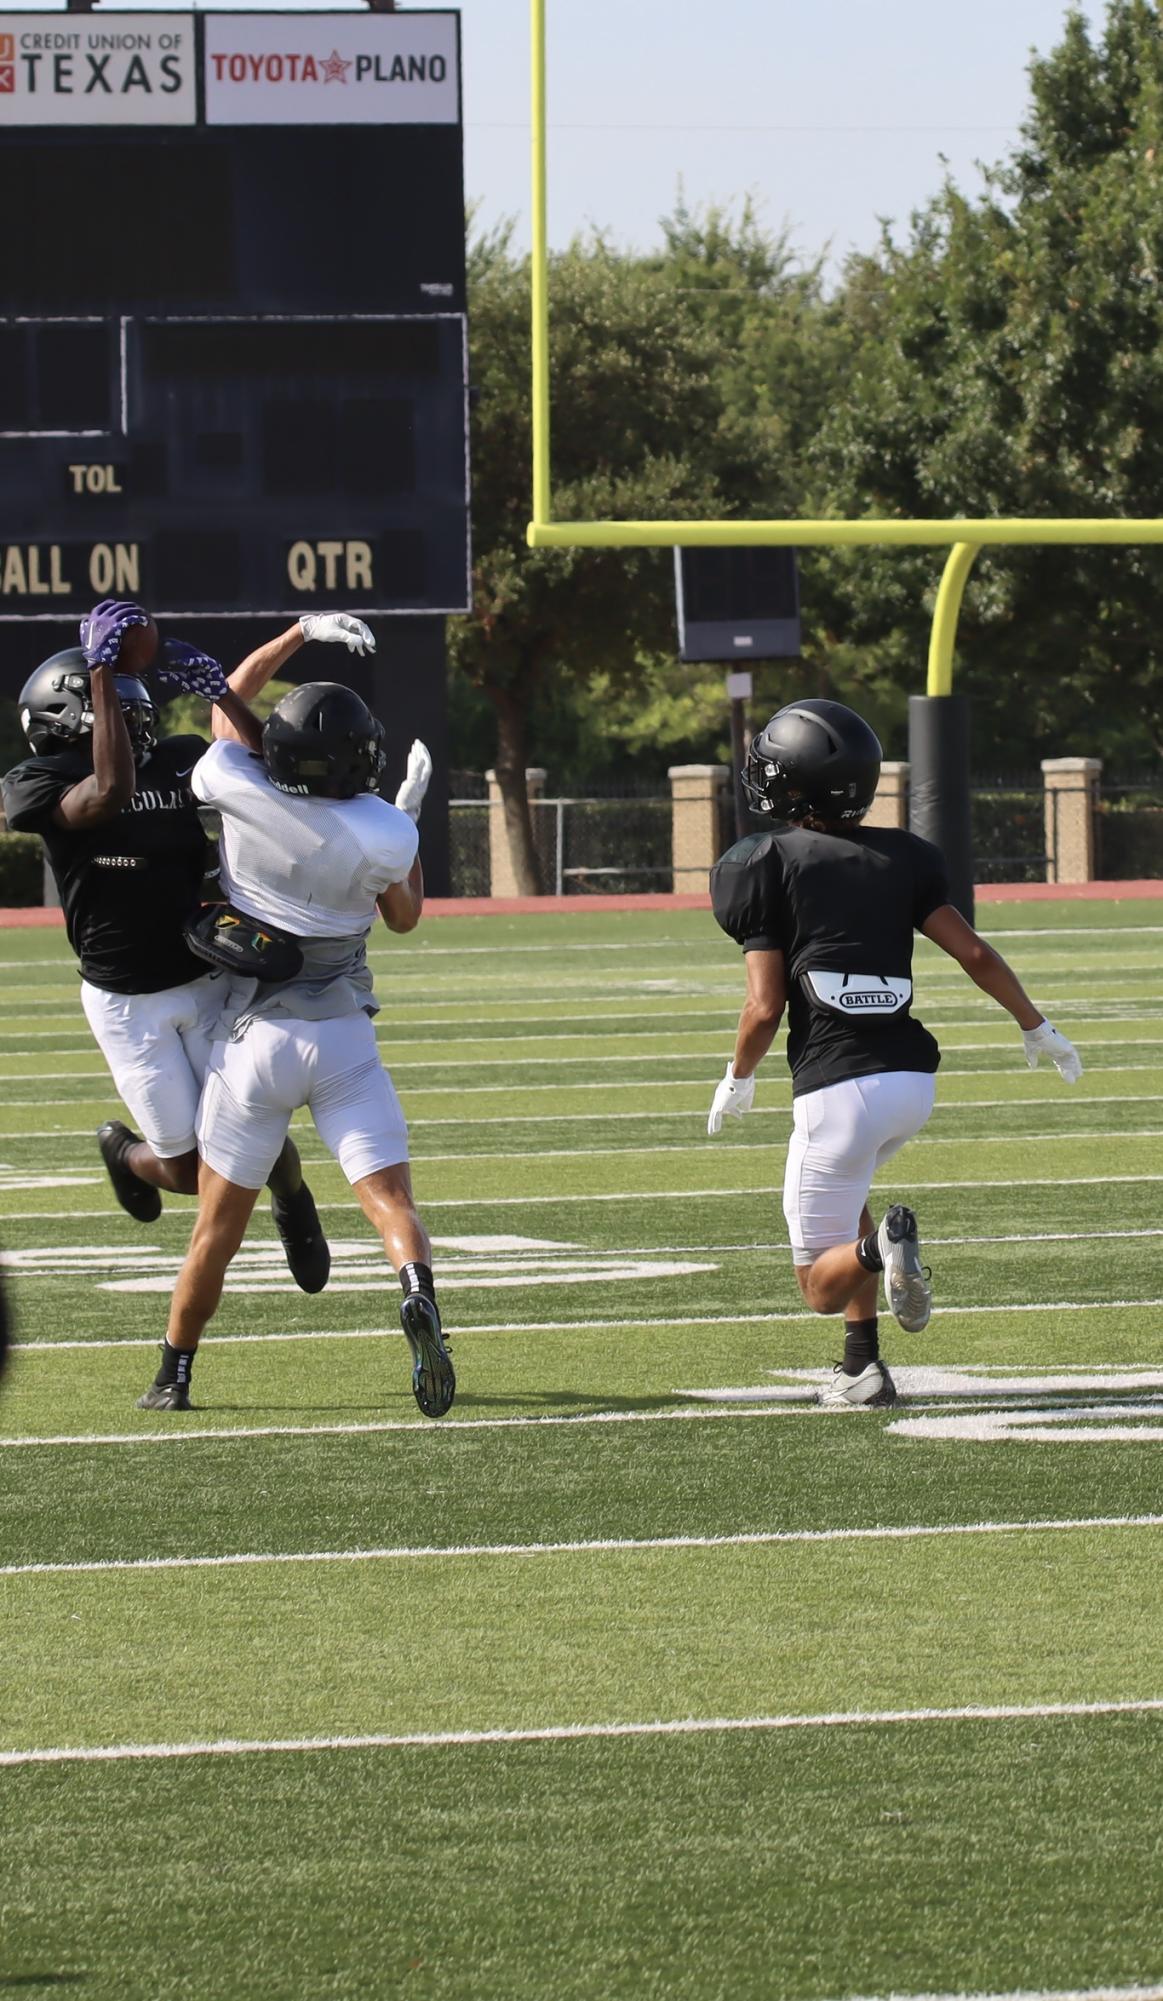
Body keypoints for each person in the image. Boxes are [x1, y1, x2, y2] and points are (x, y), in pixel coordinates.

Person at [706, 697, 1082, 1408]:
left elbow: (763, 1006)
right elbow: (971, 949)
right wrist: (1036, 1025)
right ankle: (863, 1367)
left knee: (819, 1280)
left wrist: (736, 1076)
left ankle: (883, 1251)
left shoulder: (762, 862)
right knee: (850, 1206)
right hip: (911, 1084)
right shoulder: (905, 855)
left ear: (793, 784)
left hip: (836, 1090)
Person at [1, 602, 374, 1293]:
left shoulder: (176, 758)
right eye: (106, 690)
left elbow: (281, 769)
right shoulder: (37, 783)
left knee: (252, 1126)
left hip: (205, 979)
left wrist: (224, 693)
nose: (129, 705)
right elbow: (108, 792)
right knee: (184, 1169)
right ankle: (126, 1155)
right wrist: (107, 672)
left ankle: (293, 1200)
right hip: (127, 1002)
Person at [134, 679, 454, 1422]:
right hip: (343, 1035)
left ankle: (173, 1374)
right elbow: (404, 917)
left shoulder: (241, 786)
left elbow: (227, 727)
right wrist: (406, 829)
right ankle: (415, 1291)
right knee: (389, 1201)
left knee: (216, 1229)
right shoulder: (383, 828)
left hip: (256, 1041)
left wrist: (231, 678)